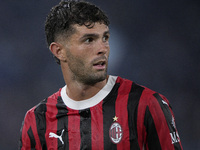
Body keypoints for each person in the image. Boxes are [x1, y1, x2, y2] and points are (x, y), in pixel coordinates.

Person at [19, 0, 183, 150]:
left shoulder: (147, 104)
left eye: (105, 38)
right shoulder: (37, 119)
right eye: (89, 40)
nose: (103, 48)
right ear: (59, 51)